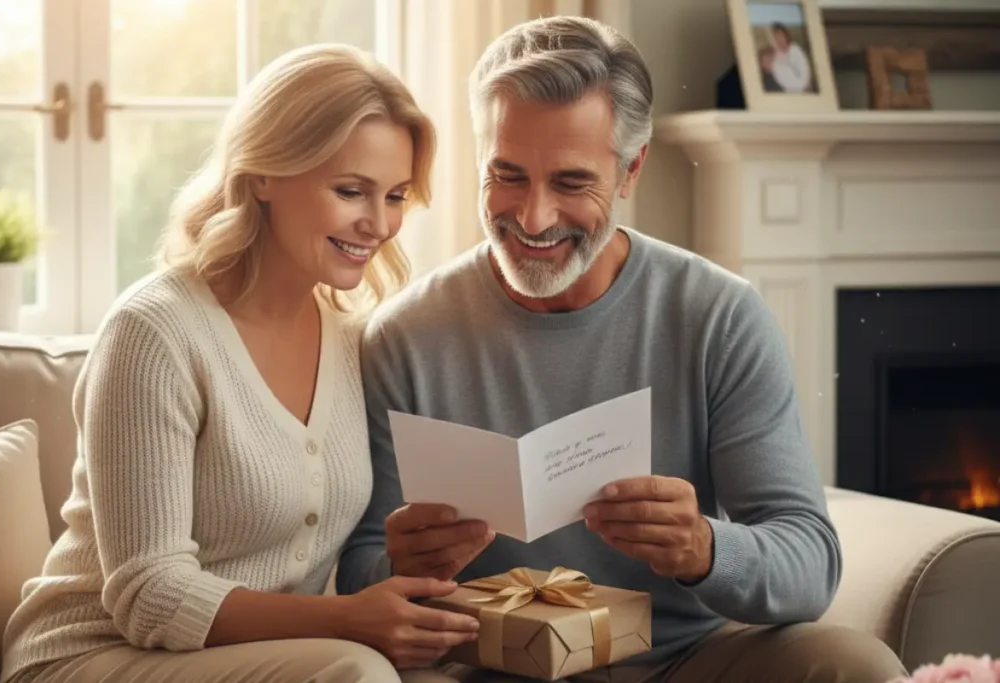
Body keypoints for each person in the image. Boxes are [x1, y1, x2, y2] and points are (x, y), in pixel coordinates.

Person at [337, 16, 908, 683]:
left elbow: (809, 562)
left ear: (632, 168)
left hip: (683, 659)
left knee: (854, 665)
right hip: (488, 664)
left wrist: (703, 547)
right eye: (508, 175)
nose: (533, 217)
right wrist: (401, 564)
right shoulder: (407, 334)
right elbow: (357, 566)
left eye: (572, 183)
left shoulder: (718, 316)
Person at [0, 44, 478, 683]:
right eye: (350, 191)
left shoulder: (349, 341)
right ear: (263, 174)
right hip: (91, 655)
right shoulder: (154, 332)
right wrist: (346, 620)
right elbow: (150, 596)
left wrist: (414, 565)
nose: (379, 224)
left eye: (394, 196)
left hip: (265, 660)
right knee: (356, 671)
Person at [769, 22, 813, 93]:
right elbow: (780, 78)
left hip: (804, 90)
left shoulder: (795, 49)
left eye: (781, 36)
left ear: (786, 36)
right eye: (776, 38)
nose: (779, 40)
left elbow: (805, 73)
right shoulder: (776, 58)